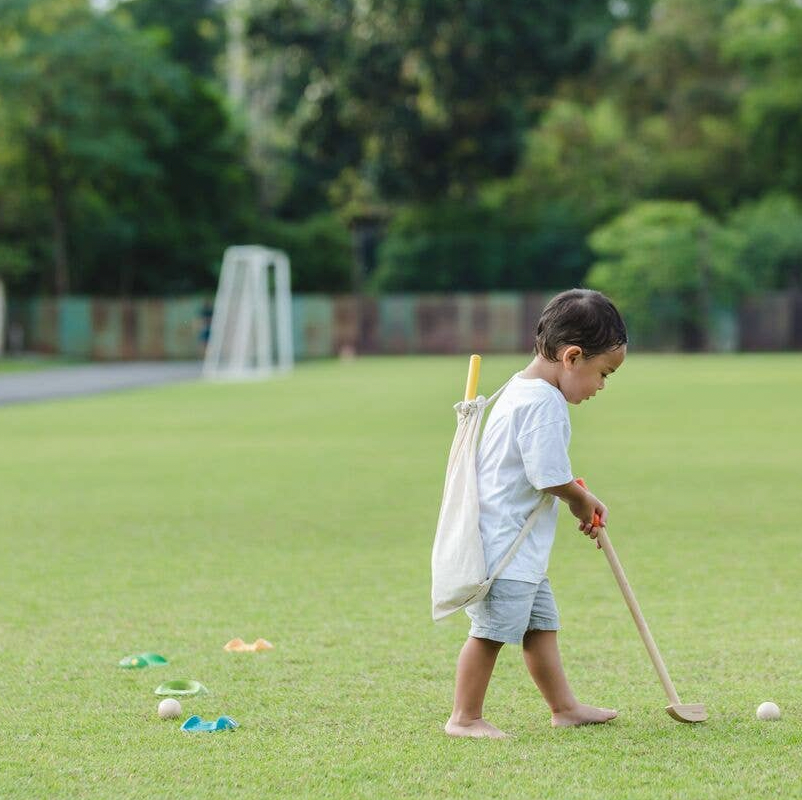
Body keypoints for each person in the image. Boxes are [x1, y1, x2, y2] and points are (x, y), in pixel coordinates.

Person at [445, 288, 628, 738]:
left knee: (540, 626)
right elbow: (547, 475)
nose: (601, 387)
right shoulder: (545, 404)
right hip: (505, 547)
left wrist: (576, 493)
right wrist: (581, 500)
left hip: (515, 545)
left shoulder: (519, 387)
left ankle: (564, 707)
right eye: (603, 373)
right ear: (572, 357)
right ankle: (464, 717)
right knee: (490, 633)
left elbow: (538, 469)